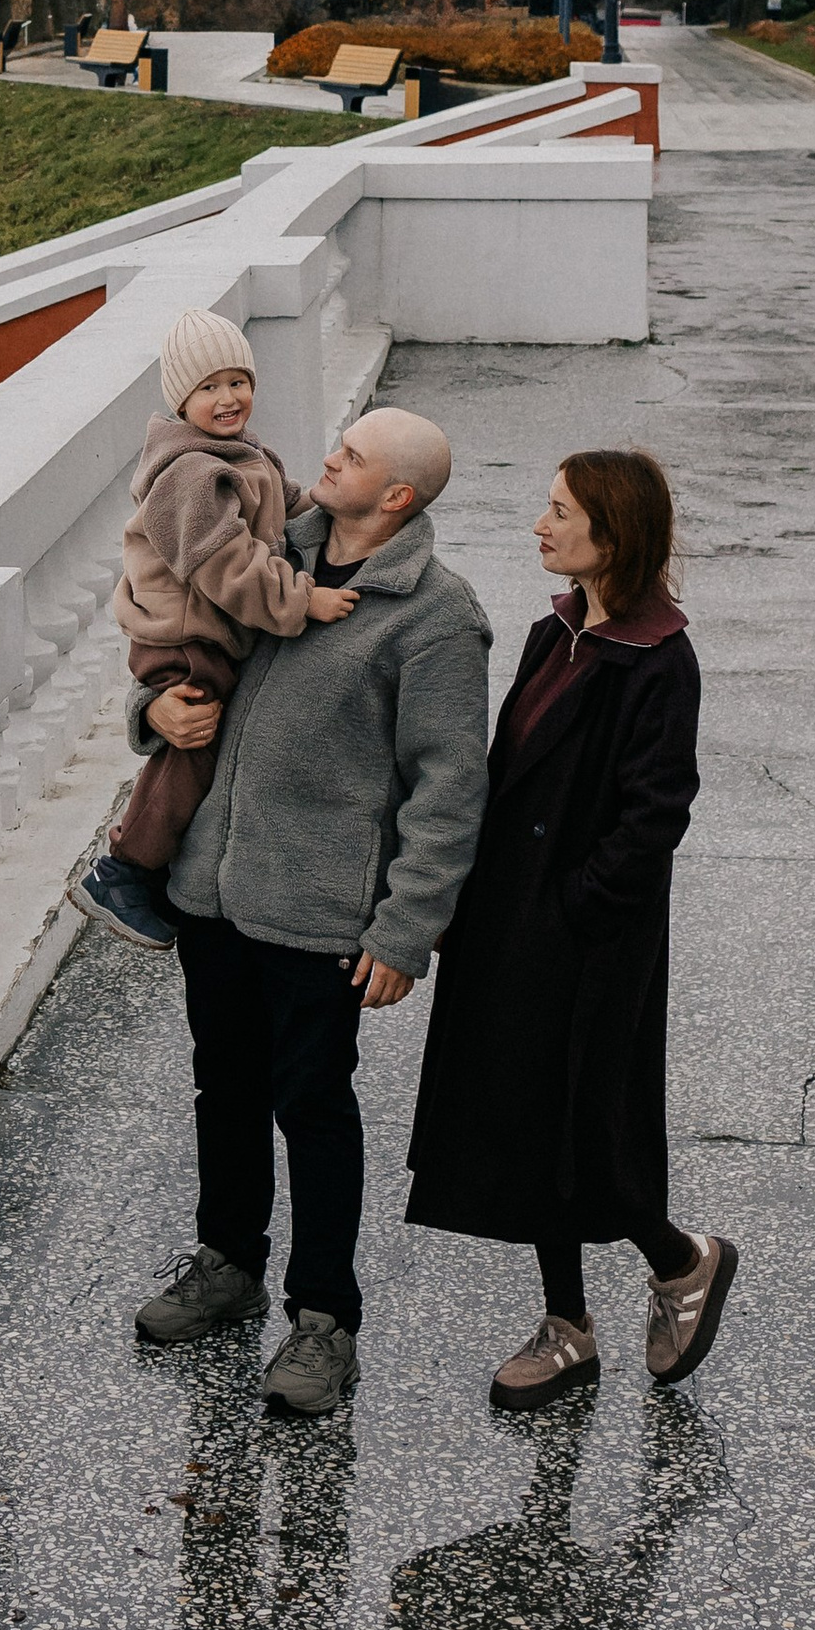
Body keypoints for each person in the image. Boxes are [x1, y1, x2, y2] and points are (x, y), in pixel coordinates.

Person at [130, 405, 491, 1419]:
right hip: (213, 886)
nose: (323, 457)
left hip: (322, 914)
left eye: (350, 455)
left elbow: (449, 786)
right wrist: (149, 709)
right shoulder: (262, 556)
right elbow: (173, 640)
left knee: (313, 1109)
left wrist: (403, 930)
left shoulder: (434, 616)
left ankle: (324, 1318)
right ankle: (227, 1261)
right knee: (224, 1088)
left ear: (396, 496)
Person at [404, 445, 736, 1409]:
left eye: (559, 511)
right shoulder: (556, 632)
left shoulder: (658, 657)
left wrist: (575, 905)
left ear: (612, 533)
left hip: (587, 937)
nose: (540, 524)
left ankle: (682, 1260)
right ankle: (568, 1328)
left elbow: (657, 810)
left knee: (589, 1121)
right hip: (509, 917)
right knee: (523, 1120)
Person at [67, 308, 357, 952]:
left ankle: (149, 864)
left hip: (205, 633)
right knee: (193, 747)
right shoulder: (189, 476)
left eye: (238, 381)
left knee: (205, 743)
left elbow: (285, 507)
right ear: (180, 399)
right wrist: (301, 600)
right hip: (181, 637)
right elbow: (225, 563)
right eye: (208, 388)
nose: (228, 398)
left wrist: (337, 505)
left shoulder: (241, 452)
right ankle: (122, 871)